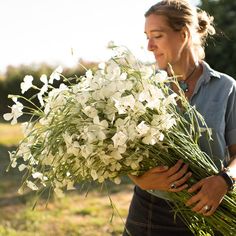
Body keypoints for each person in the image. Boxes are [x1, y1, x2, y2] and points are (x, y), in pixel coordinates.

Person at [123, 0, 236, 235]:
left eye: (157, 35)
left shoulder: (225, 88)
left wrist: (224, 181)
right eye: (147, 36)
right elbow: (123, 153)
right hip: (149, 211)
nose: (149, 46)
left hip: (211, 210)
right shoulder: (141, 89)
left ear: (183, 34)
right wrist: (141, 180)